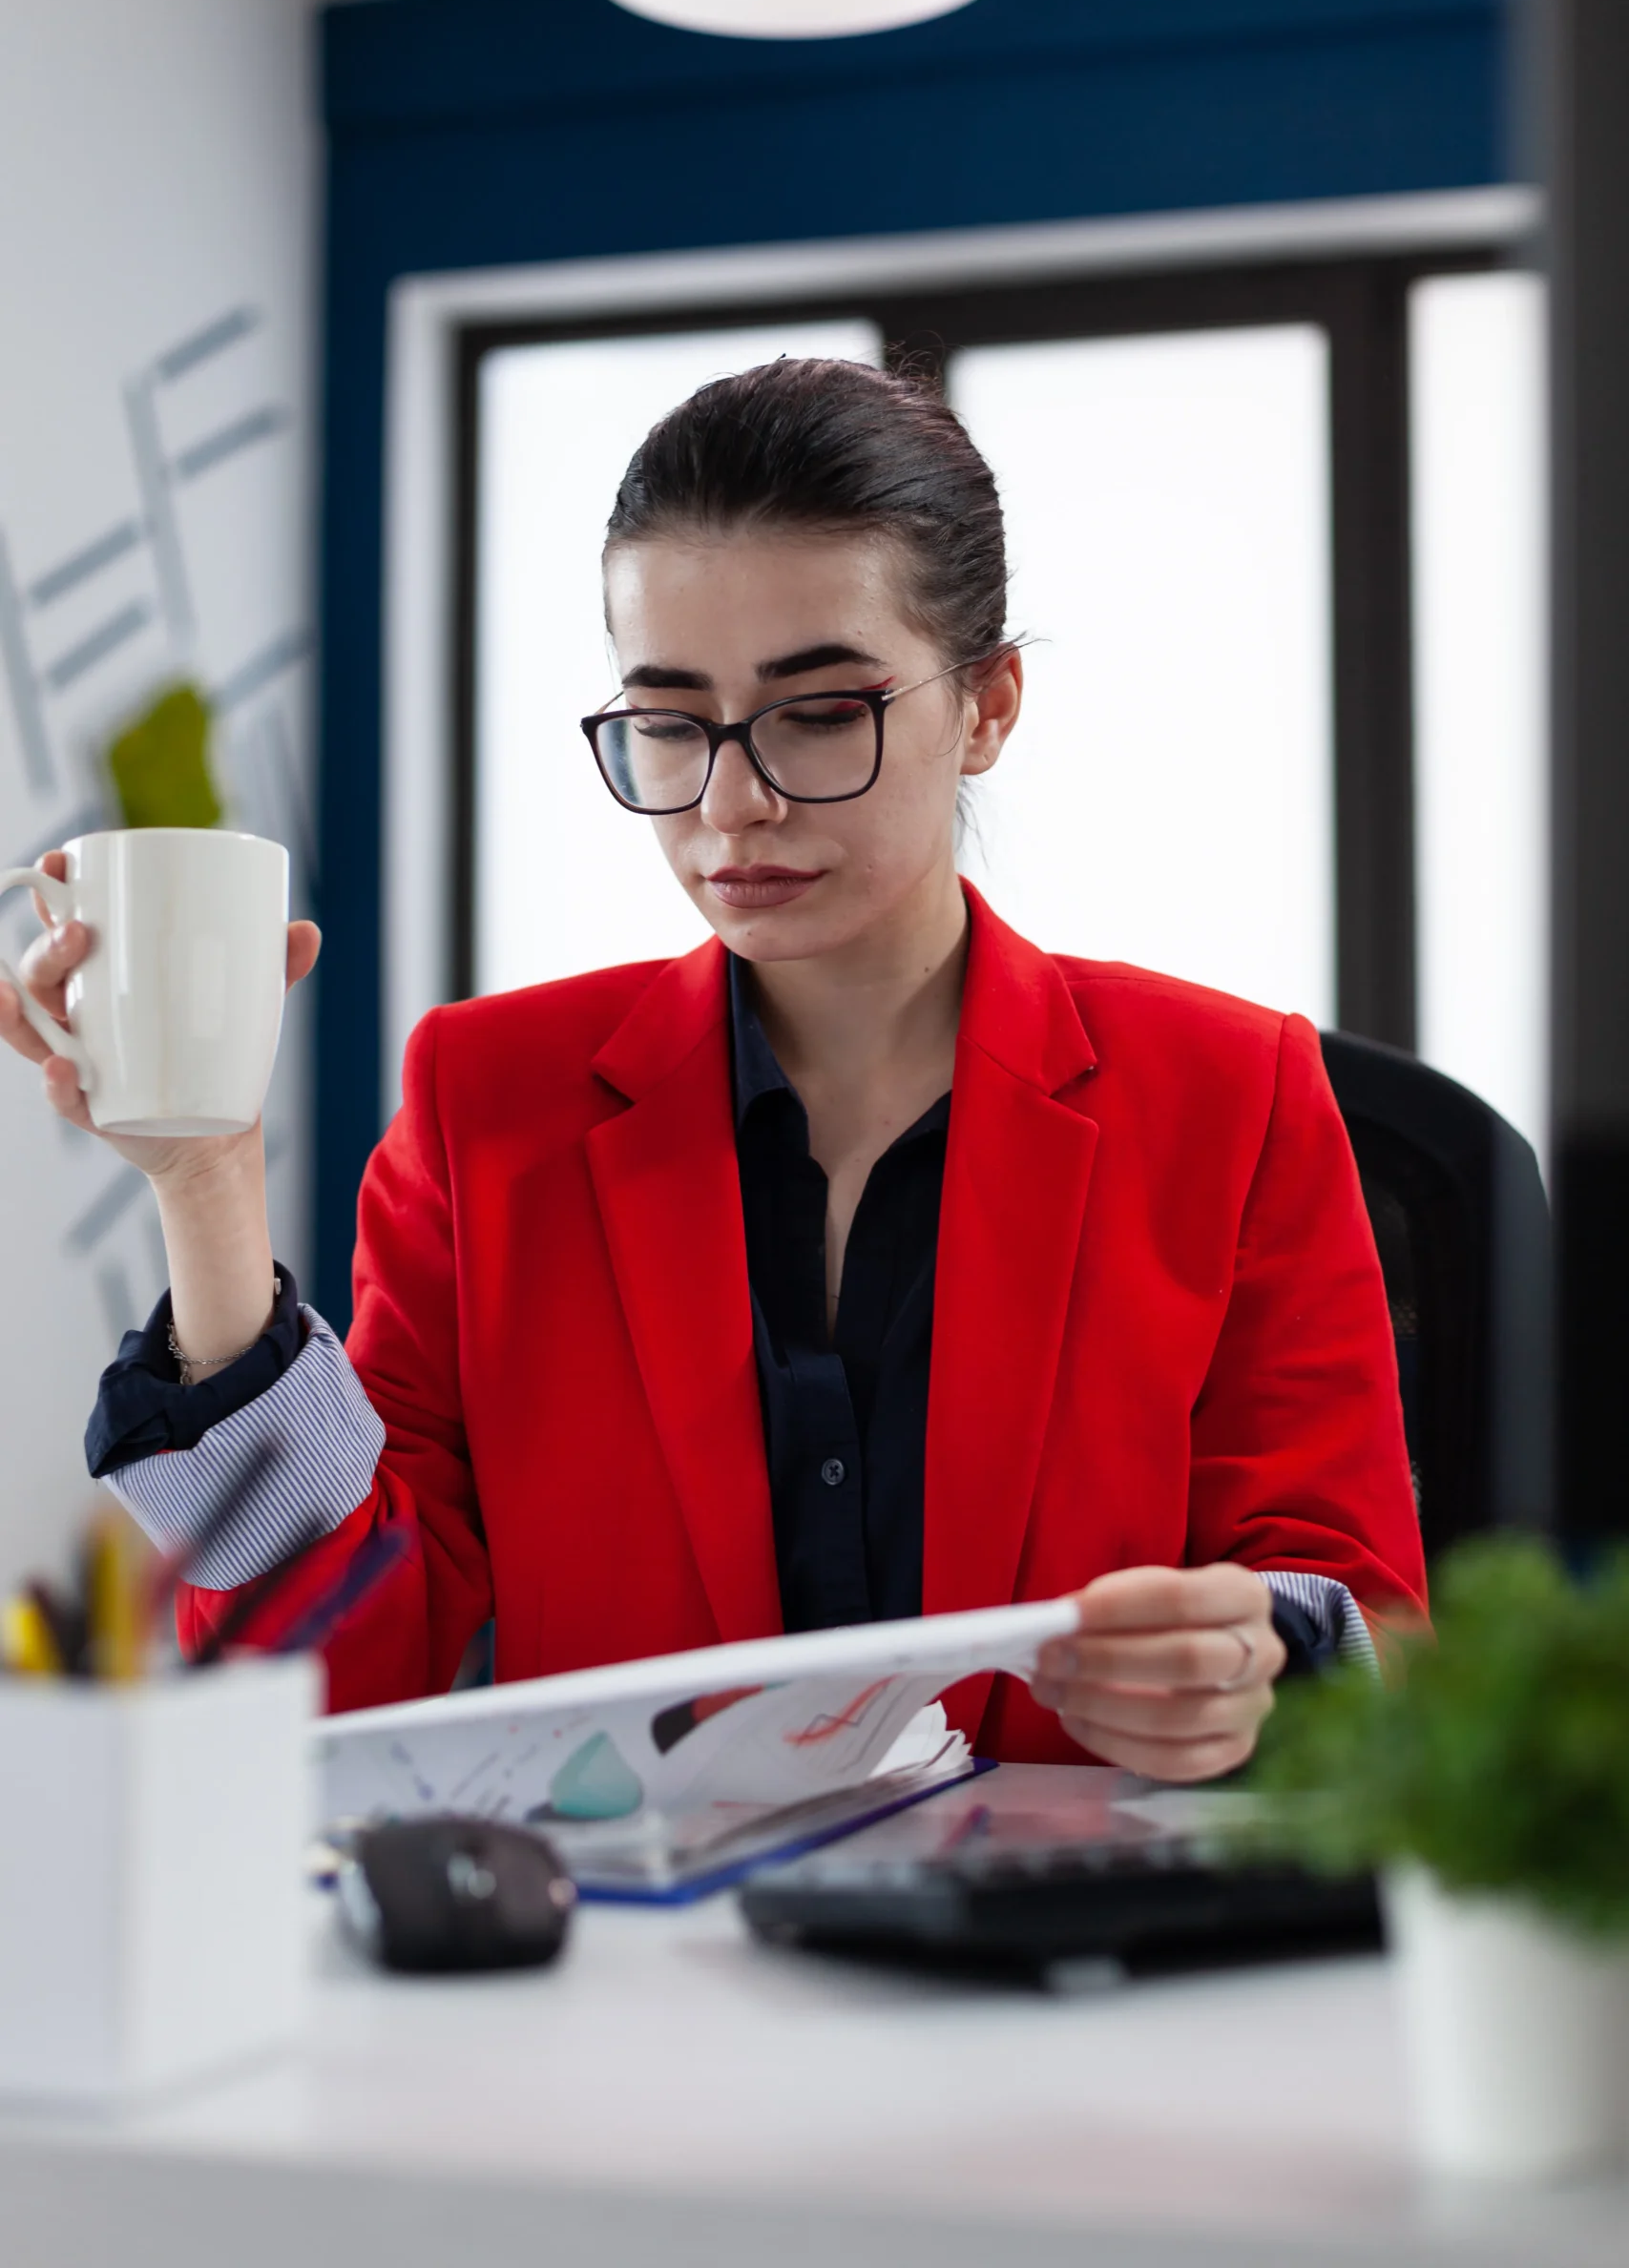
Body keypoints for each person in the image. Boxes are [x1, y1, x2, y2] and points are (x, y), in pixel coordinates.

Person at [0, 358, 1425, 1779]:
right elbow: (327, 1673)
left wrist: (1255, 1664)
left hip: (1069, 1959)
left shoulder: (1231, 1094)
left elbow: (1365, 1621)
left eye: (819, 714)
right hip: (635, 1970)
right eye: (670, 724)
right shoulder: (487, 1101)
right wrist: (207, 1181)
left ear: (986, 706)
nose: (731, 805)